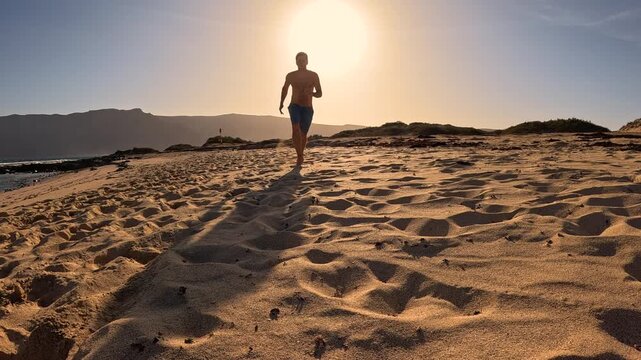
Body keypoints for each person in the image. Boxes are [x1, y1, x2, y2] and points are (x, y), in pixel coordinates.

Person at [279, 52, 322, 169]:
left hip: (308, 107)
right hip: (295, 105)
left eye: (303, 60)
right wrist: (281, 103)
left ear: (307, 61)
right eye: (299, 60)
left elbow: (320, 93)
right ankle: (299, 156)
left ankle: (301, 153)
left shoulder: (313, 75)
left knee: (303, 134)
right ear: (296, 62)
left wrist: (312, 93)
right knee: (295, 128)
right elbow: (285, 89)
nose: (301, 62)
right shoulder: (291, 75)